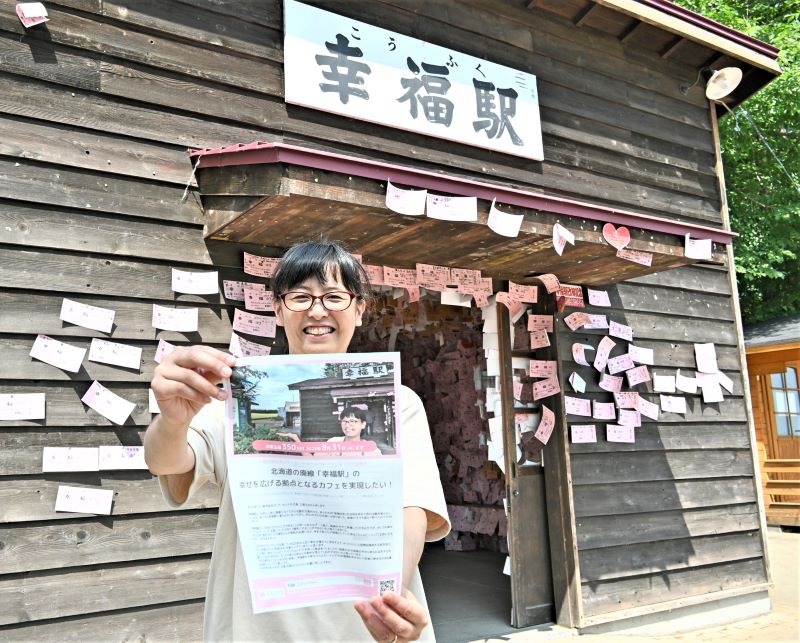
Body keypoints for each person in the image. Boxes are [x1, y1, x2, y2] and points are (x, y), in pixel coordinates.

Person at [144, 240, 450, 642]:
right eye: (300, 296)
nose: (317, 310)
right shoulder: (235, 398)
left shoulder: (401, 401)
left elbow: (412, 509)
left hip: (366, 622)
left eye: (335, 296)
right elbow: (167, 462)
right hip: (259, 626)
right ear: (277, 309)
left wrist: (392, 592)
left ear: (359, 310)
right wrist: (171, 420)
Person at [277, 406, 384, 457]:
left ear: (363, 424)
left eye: (353, 421)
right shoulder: (333, 442)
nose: (348, 425)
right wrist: (296, 439)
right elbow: (313, 462)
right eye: (345, 421)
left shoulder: (373, 450)